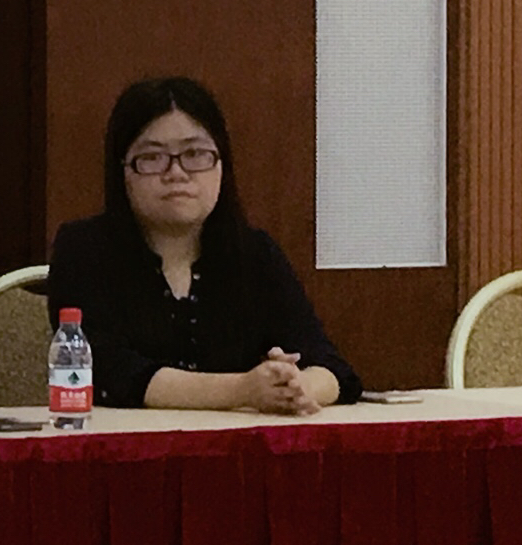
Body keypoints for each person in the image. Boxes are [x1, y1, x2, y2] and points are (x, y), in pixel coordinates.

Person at [44, 75, 360, 415]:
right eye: (152, 157)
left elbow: (331, 367)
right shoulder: (84, 249)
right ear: (123, 171)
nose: (176, 173)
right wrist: (243, 389)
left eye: (195, 154)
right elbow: (108, 373)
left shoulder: (255, 253)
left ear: (222, 164)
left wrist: (293, 387)